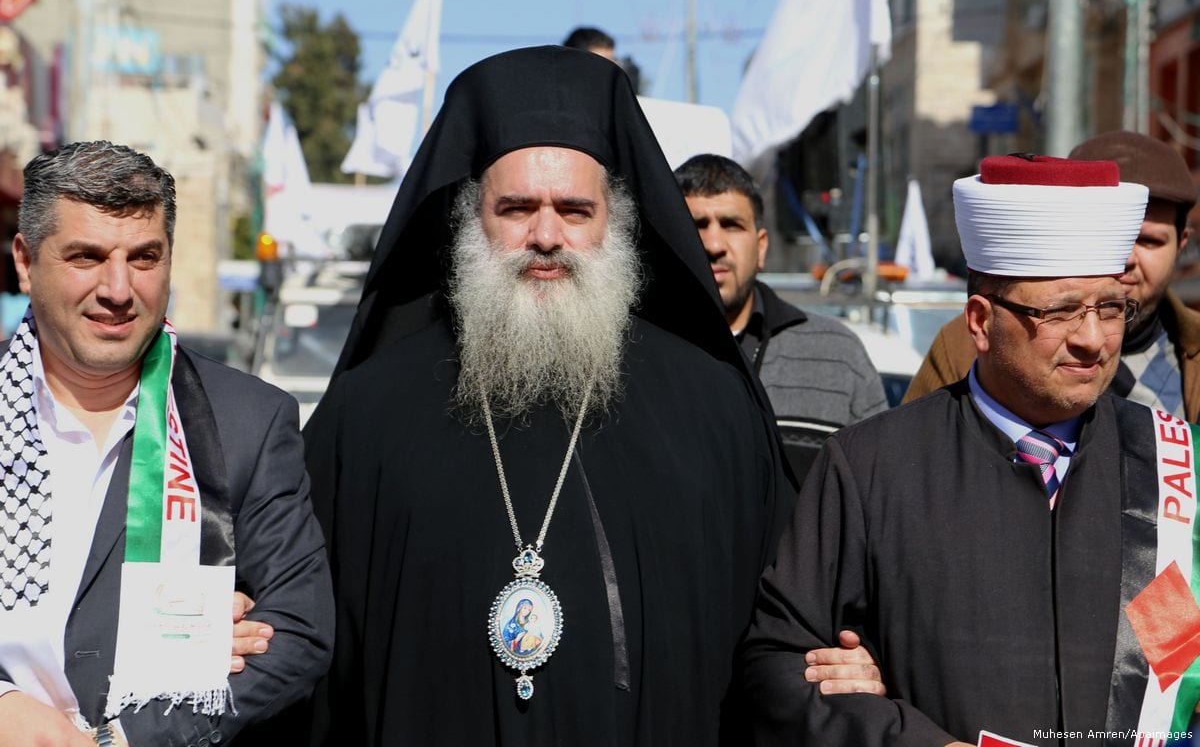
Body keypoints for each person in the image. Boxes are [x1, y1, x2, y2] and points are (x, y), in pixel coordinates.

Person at [302, 45, 793, 746]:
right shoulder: (367, 414)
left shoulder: (715, 411)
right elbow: (309, 654)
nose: (546, 236)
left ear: (614, 222)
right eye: (516, 208)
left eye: (573, 209)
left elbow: (779, 641)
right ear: (472, 219)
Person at [741, 154, 1200, 744]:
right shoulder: (870, 468)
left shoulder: (1172, 464)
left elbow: (1172, 664)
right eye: (1060, 312)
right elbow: (778, 665)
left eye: (1110, 309)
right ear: (981, 322)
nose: (1092, 339)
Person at [0, 141, 333, 746]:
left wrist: (122, 741)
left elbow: (297, 631)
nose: (119, 289)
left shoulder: (248, 422)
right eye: (87, 257)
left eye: (145, 257)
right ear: (25, 261)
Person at [904, 131, 1200, 415]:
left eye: (1149, 241)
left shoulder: (1190, 357)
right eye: (1105, 236)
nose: (1124, 258)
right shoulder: (968, 342)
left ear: (1181, 244)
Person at [676, 153, 887, 427]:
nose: (714, 245)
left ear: (761, 246)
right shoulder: (633, 355)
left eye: (732, 225)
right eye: (697, 226)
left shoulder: (837, 354)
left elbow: (879, 466)